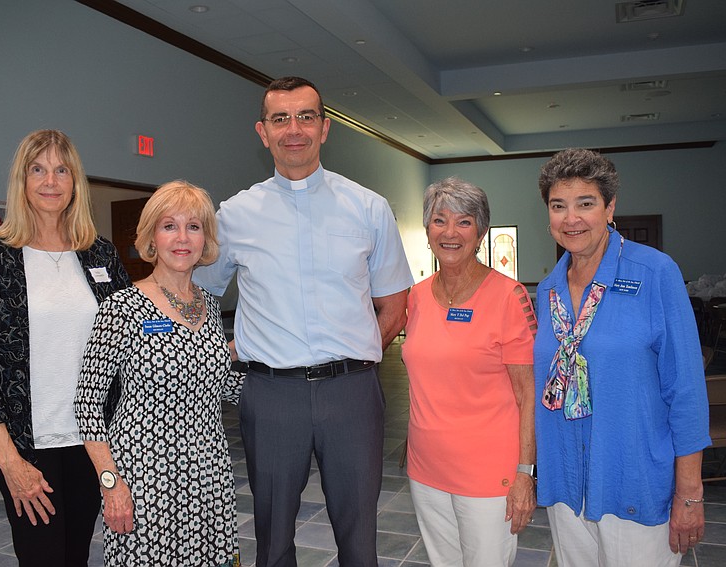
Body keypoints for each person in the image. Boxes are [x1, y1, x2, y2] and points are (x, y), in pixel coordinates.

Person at [193, 76, 413, 566]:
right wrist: (226, 349)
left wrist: (357, 356)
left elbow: (395, 304)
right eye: (280, 119)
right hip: (271, 396)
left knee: (359, 540)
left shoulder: (368, 208)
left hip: (352, 395)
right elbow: (199, 294)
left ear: (324, 127)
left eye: (305, 117)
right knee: (272, 540)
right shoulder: (234, 215)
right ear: (263, 132)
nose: (294, 129)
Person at [0, 129, 132, 566]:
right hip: (25, 446)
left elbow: (129, 340)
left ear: (75, 182)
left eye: (61, 170)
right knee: (42, 558)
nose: (50, 181)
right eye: (38, 170)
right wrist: (8, 461)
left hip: (93, 440)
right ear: (22, 180)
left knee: (76, 555)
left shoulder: (100, 255)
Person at [534, 148, 710, 566]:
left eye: (585, 204)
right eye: (558, 206)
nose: (571, 218)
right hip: (566, 486)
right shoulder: (549, 290)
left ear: (610, 207)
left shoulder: (654, 272)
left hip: (633, 482)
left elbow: (685, 390)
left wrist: (689, 493)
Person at [75, 180, 242, 566]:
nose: (182, 238)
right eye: (170, 226)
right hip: (145, 478)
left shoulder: (209, 306)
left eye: (193, 226)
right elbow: (87, 403)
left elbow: (217, 383)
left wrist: (285, 380)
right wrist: (111, 484)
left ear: (205, 239)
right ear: (151, 237)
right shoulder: (122, 308)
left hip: (209, 474)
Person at [401, 177, 537, 566]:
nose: (450, 232)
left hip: (488, 473)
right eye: (439, 220)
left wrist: (525, 473)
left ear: (481, 232)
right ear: (427, 230)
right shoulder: (417, 297)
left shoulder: (508, 296)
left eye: (464, 222)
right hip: (426, 467)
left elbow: (528, 395)